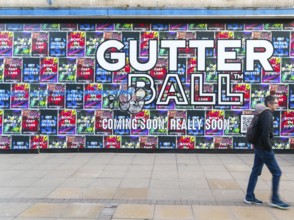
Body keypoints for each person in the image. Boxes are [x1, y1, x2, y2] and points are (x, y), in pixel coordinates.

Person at [244, 95, 289, 209]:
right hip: (264, 149)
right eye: (275, 103)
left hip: (258, 148)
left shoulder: (262, 113)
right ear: (269, 104)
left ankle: (249, 197)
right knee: (277, 172)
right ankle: (275, 199)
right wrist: (269, 148)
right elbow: (265, 135)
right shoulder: (267, 115)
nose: (277, 105)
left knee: (255, 171)